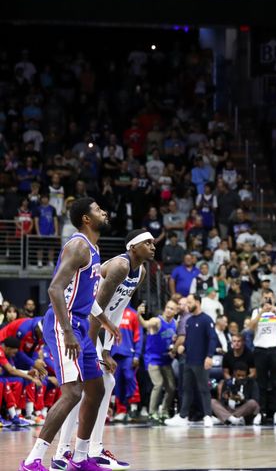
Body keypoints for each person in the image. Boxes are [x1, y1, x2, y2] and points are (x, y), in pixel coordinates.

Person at [20, 198, 119, 471]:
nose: (104, 211)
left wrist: (105, 321)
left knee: (96, 389)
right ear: (86, 219)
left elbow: (85, 296)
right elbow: (54, 290)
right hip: (64, 325)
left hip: (79, 325)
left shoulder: (95, 249)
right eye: (99, 209)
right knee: (73, 392)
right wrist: (68, 332)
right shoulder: (78, 246)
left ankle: (79, 457)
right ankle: (33, 460)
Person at [51, 229, 154, 470]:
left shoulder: (140, 272)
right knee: (83, 386)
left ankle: (90, 449)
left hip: (99, 329)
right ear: (132, 247)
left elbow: (116, 311)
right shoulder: (119, 266)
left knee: (105, 383)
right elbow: (95, 308)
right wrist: (90, 348)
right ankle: (65, 451)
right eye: (147, 242)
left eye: (152, 243)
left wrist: (106, 348)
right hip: (82, 324)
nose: (153, 246)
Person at [165, 294, 218, 428]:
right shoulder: (189, 321)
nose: (187, 305)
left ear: (197, 302)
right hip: (189, 360)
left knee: (204, 389)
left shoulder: (206, 320)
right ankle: (183, 416)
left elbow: (213, 339)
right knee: (186, 389)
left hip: (201, 361)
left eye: (189, 302)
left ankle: (208, 416)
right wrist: (184, 346)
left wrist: (209, 356)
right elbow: (190, 339)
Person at [248, 290, 276, 426]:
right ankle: (261, 412)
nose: (267, 300)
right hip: (260, 349)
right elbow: (251, 327)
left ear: (274, 298)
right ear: (261, 299)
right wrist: (261, 312)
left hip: (275, 348)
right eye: (265, 298)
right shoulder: (256, 311)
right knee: (261, 383)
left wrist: (274, 313)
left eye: (270, 298)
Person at [138, 299, 178, 423]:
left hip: (166, 360)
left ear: (175, 311)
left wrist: (173, 349)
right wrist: (138, 314)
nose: (168, 310)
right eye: (167, 307)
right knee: (158, 384)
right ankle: (152, 412)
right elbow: (144, 324)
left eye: (172, 308)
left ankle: (164, 411)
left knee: (171, 387)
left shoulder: (175, 324)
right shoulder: (157, 321)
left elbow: (173, 340)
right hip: (153, 359)